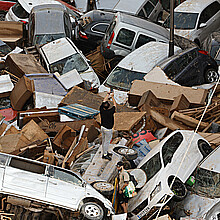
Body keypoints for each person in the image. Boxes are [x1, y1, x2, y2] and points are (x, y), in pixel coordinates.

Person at [100, 91, 116, 160]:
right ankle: (105, 154)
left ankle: (105, 152)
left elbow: (104, 100)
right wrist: (112, 97)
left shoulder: (102, 110)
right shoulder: (110, 111)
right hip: (108, 129)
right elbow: (115, 105)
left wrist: (108, 94)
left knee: (104, 141)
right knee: (107, 142)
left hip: (102, 127)